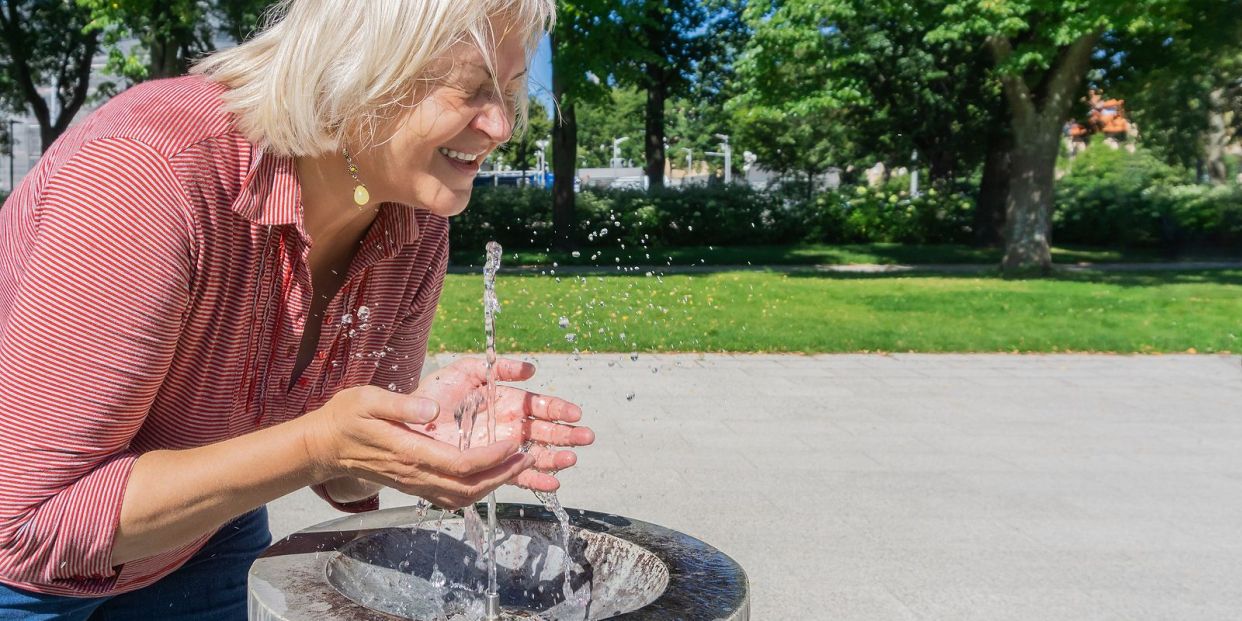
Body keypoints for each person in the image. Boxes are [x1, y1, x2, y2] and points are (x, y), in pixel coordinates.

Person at [0, 0, 592, 618]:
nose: (501, 126)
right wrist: (317, 445)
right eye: (472, 90)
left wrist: (406, 438)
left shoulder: (415, 224)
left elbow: (344, 473)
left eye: (511, 94)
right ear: (363, 72)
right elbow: (29, 521)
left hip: (199, 530)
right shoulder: (148, 177)